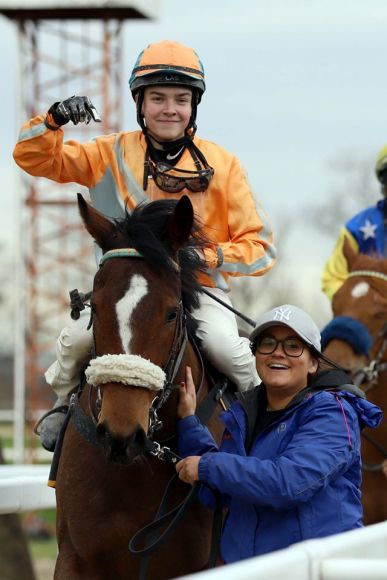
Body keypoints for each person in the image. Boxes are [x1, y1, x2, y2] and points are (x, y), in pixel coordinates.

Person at [13, 40, 276, 450]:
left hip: (198, 288)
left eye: (180, 99)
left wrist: (200, 257)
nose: (169, 108)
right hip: (122, 289)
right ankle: (64, 407)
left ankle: (270, 431)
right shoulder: (108, 152)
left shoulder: (223, 165)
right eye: (157, 98)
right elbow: (32, 158)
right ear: (141, 104)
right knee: (76, 341)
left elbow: (262, 248)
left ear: (194, 106)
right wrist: (54, 119)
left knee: (229, 350)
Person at [175, 304, 383, 563]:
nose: (278, 353)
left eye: (293, 346)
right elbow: (220, 490)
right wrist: (189, 423)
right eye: (268, 343)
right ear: (256, 355)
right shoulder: (243, 414)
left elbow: (289, 483)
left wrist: (207, 466)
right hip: (251, 571)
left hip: (319, 571)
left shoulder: (333, 413)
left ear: (313, 363)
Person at [321, 145, 387, 301]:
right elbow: (333, 279)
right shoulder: (357, 228)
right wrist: (359, 302)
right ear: (383, 183)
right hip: (373, 316)